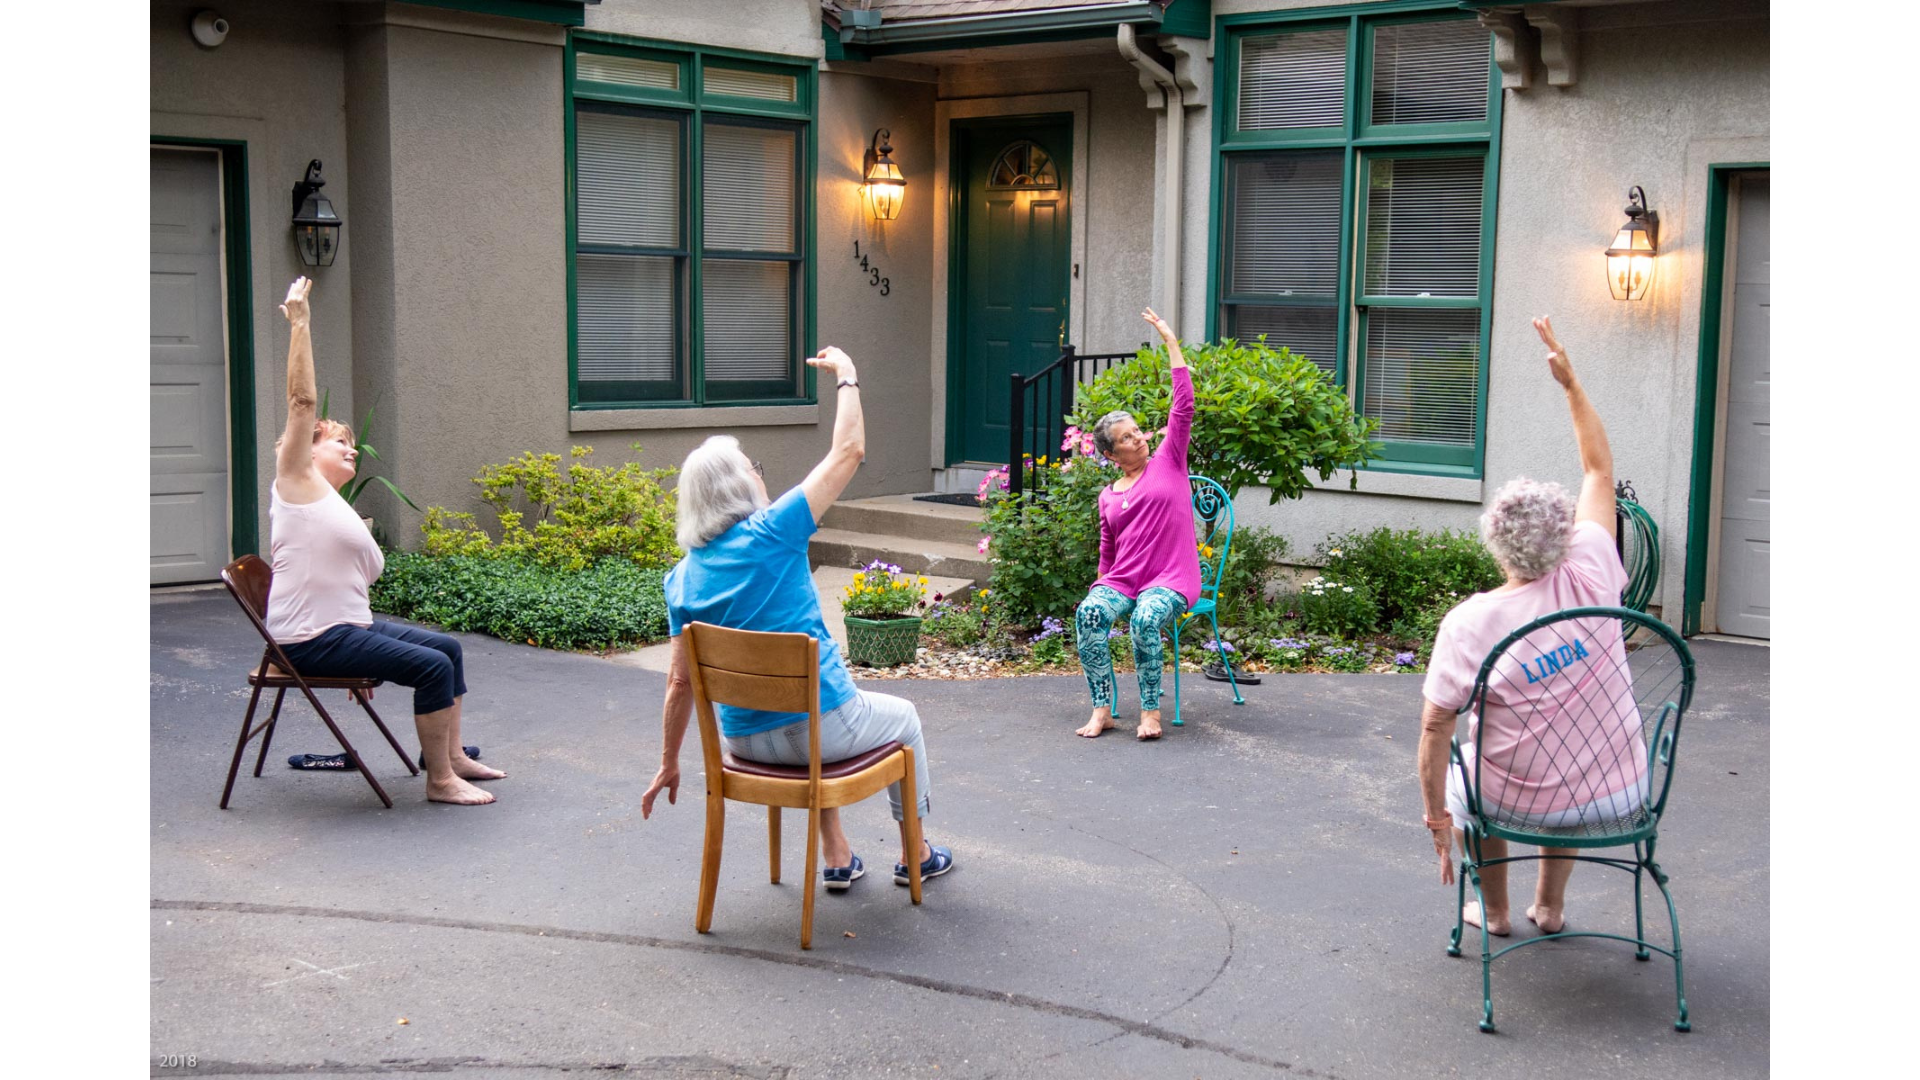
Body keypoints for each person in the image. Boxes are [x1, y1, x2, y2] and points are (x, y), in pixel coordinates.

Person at [640, 347, 953, 891]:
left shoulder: (681, 578)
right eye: (753, 469)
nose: (760, 476)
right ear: (739, 487)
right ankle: (916, 854)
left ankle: (837, 855)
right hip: (822, 731)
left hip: (743, 743)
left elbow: (679, 683)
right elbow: (849, 450)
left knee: (805, 711)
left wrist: (668, 761)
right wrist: (848, 376)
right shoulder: (774, 531)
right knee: (903, 718)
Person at [1416, 315, 1635, 935]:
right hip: (1621, 792)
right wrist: (1571, 385)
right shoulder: (1592, 562)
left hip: (1518, 801)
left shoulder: (1471, 623)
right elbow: (1598, 471)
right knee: (1567, 749)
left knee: (1471, 774)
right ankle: (1550, 908)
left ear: (1495, 544)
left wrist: (1437, 820)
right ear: (1565, 536)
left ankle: (1496, 912)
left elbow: (1435, 729)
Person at [266, 277, 506, 805]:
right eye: (340, 442)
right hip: (310, 639)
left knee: (446, 648)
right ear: (307, 449)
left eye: (352, 443)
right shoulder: (296, 482)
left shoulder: (329, 504)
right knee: (430, 667)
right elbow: (302, 401)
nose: (352, 449)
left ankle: (452, 756)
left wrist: (367, 652)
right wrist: (301, 323)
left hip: (342, 630)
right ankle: (440, 782)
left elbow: (346, 582)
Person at [1072, 308, 1202, 741]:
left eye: (1138, 431)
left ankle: (1150, 713)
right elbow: (1108, 553)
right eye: (1126, 438)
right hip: (1126, 580)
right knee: (1090, 612)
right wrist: (1102, 590)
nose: (1139, 438)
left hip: (1172, 577)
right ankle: (1102, 709)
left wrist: (1170, 341)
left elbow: (1183, 406)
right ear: (1111, 455)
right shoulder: (1108, 495)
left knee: (1146, 618)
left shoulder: (1168, 460)